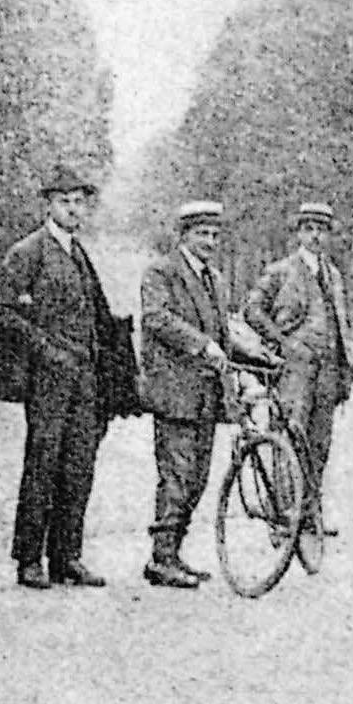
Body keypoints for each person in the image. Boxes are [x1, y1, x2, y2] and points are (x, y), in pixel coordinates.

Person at [0, 163, 125, 590]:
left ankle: (67, 556)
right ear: (48, 204)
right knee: (42, 466)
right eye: (65, 202)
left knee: (79, 466)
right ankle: (29, 560)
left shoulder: (79, 253)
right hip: (47, 380)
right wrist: (44, 348)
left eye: (80, 203)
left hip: (85, 379)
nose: (73, 210)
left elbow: (97, 316)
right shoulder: (29, 251)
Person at [137, 201, 233, 589]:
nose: (209, 241)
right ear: (184, 235)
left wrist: (259, 353)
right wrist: (202, 344)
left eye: (214, 235)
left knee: (197, 479)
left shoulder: (217, 280)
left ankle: (174, 553)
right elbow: (156, 318)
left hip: (207, 395)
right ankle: (161, 558)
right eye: (202, 234)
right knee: (175, 477)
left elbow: (224, 333)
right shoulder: (162, 272)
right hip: (175, 392)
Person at [242, 201, 352, 539]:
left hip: (328, 370)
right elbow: (252, 309)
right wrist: (282, 343)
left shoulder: (333, 275)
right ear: (299, 232)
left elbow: (340, 323)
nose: (316, 235)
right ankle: (283, 514)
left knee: (319, 443)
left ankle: (308, 514)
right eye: (309, 229)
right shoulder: (280, 271)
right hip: (294, 371)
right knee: (289, 437)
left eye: (322, 230)